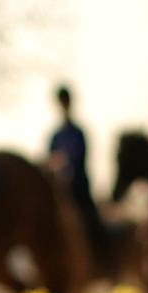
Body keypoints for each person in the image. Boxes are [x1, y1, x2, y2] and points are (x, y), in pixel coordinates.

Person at [48, 84, 99, 233]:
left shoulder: (78, 133)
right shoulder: (55, 136)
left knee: (91, 223)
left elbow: (80, 159)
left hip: (78, 188)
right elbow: (50, 160)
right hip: (60, 190)